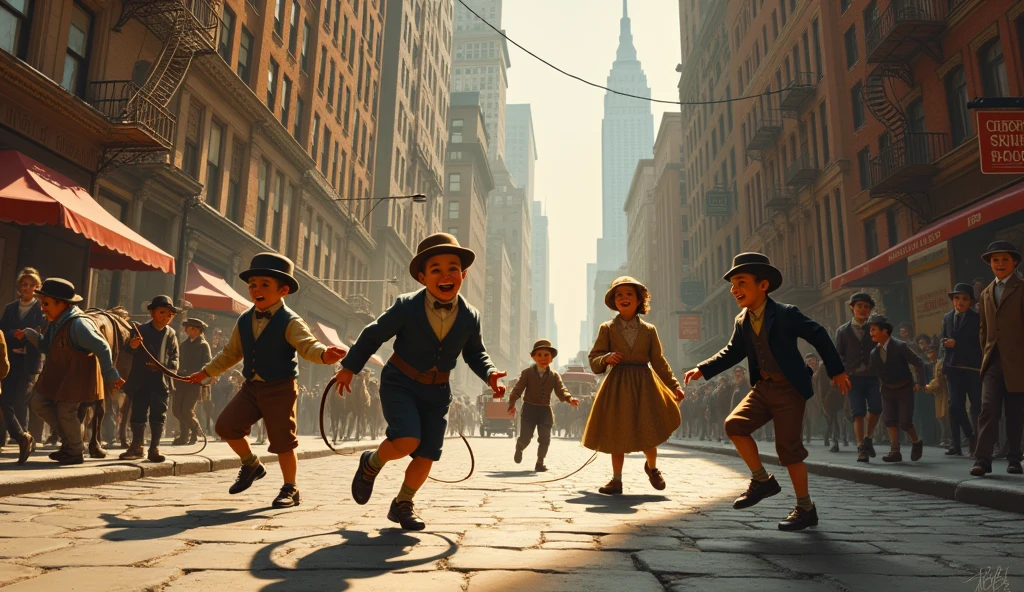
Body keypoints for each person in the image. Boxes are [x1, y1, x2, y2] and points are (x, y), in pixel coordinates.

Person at [336, 234, 505, 530]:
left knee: (427, 452)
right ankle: (371, 463)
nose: (445, 275)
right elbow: (374, 334)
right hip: (400, 381)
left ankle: (403, 503)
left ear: (463, 274)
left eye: (453, 268)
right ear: (422, 276)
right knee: (406, 440)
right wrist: (350, 366)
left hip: (438, 392)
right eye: (436, 269)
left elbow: (475, 352)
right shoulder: (406, 306)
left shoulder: (470, 316)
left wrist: (490, 374)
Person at [684, 253, 850, 532]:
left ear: (763, 285)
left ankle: (806, 508)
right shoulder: (742, 320)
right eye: (732, 285)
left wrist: (836, 370)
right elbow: (732, 352)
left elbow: (819, 333)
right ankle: (762, 480)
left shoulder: (786, 313)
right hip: (761, 389)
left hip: (788, 389)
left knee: (789, 450)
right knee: (734, 425)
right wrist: (703, 368)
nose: (734, 289)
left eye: (740, 282)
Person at [187, 253, 346, 506]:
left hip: (281, 388)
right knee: (226, 426)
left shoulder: (291, 321)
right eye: (252, 285)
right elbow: (231, 353)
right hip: (251, 387)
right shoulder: (244, 319)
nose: (256, 290)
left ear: (283, 290)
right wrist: (206, 372)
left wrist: (325, 355)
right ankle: (251, 465)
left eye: (264, 285)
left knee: (283, 441)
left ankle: (290, 488)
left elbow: (308, 346)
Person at [585, 276, 685, 495]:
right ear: (614, 301)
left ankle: (652, 468)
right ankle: (616, 480)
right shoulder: (607, 328)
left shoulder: (649, 330)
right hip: (617, 385)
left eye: (629, 294)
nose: (624, 298)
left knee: (648, 427)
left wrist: (674, 385)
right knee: (616, 431)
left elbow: (659, 361)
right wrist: (606, 358)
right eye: (619, 295)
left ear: (639, 300)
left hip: (644, 384)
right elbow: (594, 358)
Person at [21, 279, 125, 464]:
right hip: (59, 374)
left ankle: (75, 450)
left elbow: (101, 346)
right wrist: (33, 336)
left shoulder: (79, 324)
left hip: (77, 377)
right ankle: (72, 437)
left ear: (62, 304)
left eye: (46, 303)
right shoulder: (56, 321)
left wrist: (110, 374)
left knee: (66, 412)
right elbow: (47, 346)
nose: (43, 308)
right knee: (37, 403)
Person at [971, 241, 1024, 477]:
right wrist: (986, 355)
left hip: (1018, 360)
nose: (999, 264)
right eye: (995, 260)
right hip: (992, 360)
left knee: (1015, 412)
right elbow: (984, 330)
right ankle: (983, 459)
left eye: (1004, 259)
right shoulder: (985, 294)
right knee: (988, 409)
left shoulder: (1022, 287)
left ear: (1014, 262)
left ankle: (1014, 458)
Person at [120, 296, 180, 463]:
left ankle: (154, 448)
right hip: (141, 380)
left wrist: (164, 367)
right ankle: (136, 446)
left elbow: (175, 357)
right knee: (138, 413)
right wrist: (133, 345)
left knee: (158, 415)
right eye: (162, 313)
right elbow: (127, 351)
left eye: (169, 315)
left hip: (161, 381)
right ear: (152, 312)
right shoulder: (140, 330)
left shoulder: (171, 334)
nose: (165, 317)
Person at [507, 339, 580, 472]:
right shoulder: (527, 373)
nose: (543, 358)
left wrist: (569, 398)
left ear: (551, 358)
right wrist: (511, 404)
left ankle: (540, 462)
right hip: (529, 409)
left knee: (545, 438)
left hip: (545, 410)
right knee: (526, 437)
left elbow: (561, 389)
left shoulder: (554, 375)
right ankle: (520, 446)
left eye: (546, 355)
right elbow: (517, 390)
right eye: (539, 355)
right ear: (533, 357)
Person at [867, 314, 926, 463]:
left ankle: (916, 442)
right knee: (890, 420)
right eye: (870, 330)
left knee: (905, 422)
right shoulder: (874, 353)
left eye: (874, 329)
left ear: (885, 331)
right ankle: (895, 451)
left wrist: (921, 382)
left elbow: (919, 362)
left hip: (904, 388)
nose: (871, 333)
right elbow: (872, 374)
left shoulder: (900, 346)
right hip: (887, 390)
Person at [0, 268, 45, 464]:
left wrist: (26, 337)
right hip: (10, 361)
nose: (27, 288)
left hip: (29, 362)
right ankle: (22, 437)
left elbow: (42, 335)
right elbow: (2, 332)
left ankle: (24, 437)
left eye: (31, 285)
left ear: (37, 287)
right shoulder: (10, 308)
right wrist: (14, 335)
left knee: (20, 401)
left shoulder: (41, 309)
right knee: (4, 401)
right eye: (23, 285)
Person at [834, 292, 882, 463]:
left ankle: (868, 437)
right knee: (858, 413)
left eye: (866, 307)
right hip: (852, 377)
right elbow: (838, 354)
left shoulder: (875, 328)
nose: (863, 309)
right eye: (859, 306)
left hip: (872, 376)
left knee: (876, 408)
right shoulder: (842, 331)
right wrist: (839, 374)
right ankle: (861, 446)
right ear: (852, 308)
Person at [940, 282, 982, 456]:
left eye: (965, 299)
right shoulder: (947, 317)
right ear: (952, 300)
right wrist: (943, 360)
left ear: (970, 301)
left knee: (976, 407)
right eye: (957, 298)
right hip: (952, 368)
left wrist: (957, 344)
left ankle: (979, 442)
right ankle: (964, 439)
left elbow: (979, 344)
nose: (960, 302)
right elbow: (943, 340)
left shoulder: (977, 318)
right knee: (955, 406)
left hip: (972, 368)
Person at [174, 318, 212, 445]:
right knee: (176, 409)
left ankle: (194, 431)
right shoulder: (184, 344)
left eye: (189, 328)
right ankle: (184, 435)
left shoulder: (203, 345)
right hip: (180, 381)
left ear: (197, 330)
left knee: (186, 409)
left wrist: (198, 376)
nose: (186, 330)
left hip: (194, 382)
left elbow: (207, 364)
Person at [924, 346, 950, 449]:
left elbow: (938, 381)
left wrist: (928, 387)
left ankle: (947, 439)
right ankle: (945, 438)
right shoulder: (939, 363)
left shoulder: (941, 363)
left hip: (944, 392)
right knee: (942, 417)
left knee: (945, 417)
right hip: (940, 393)